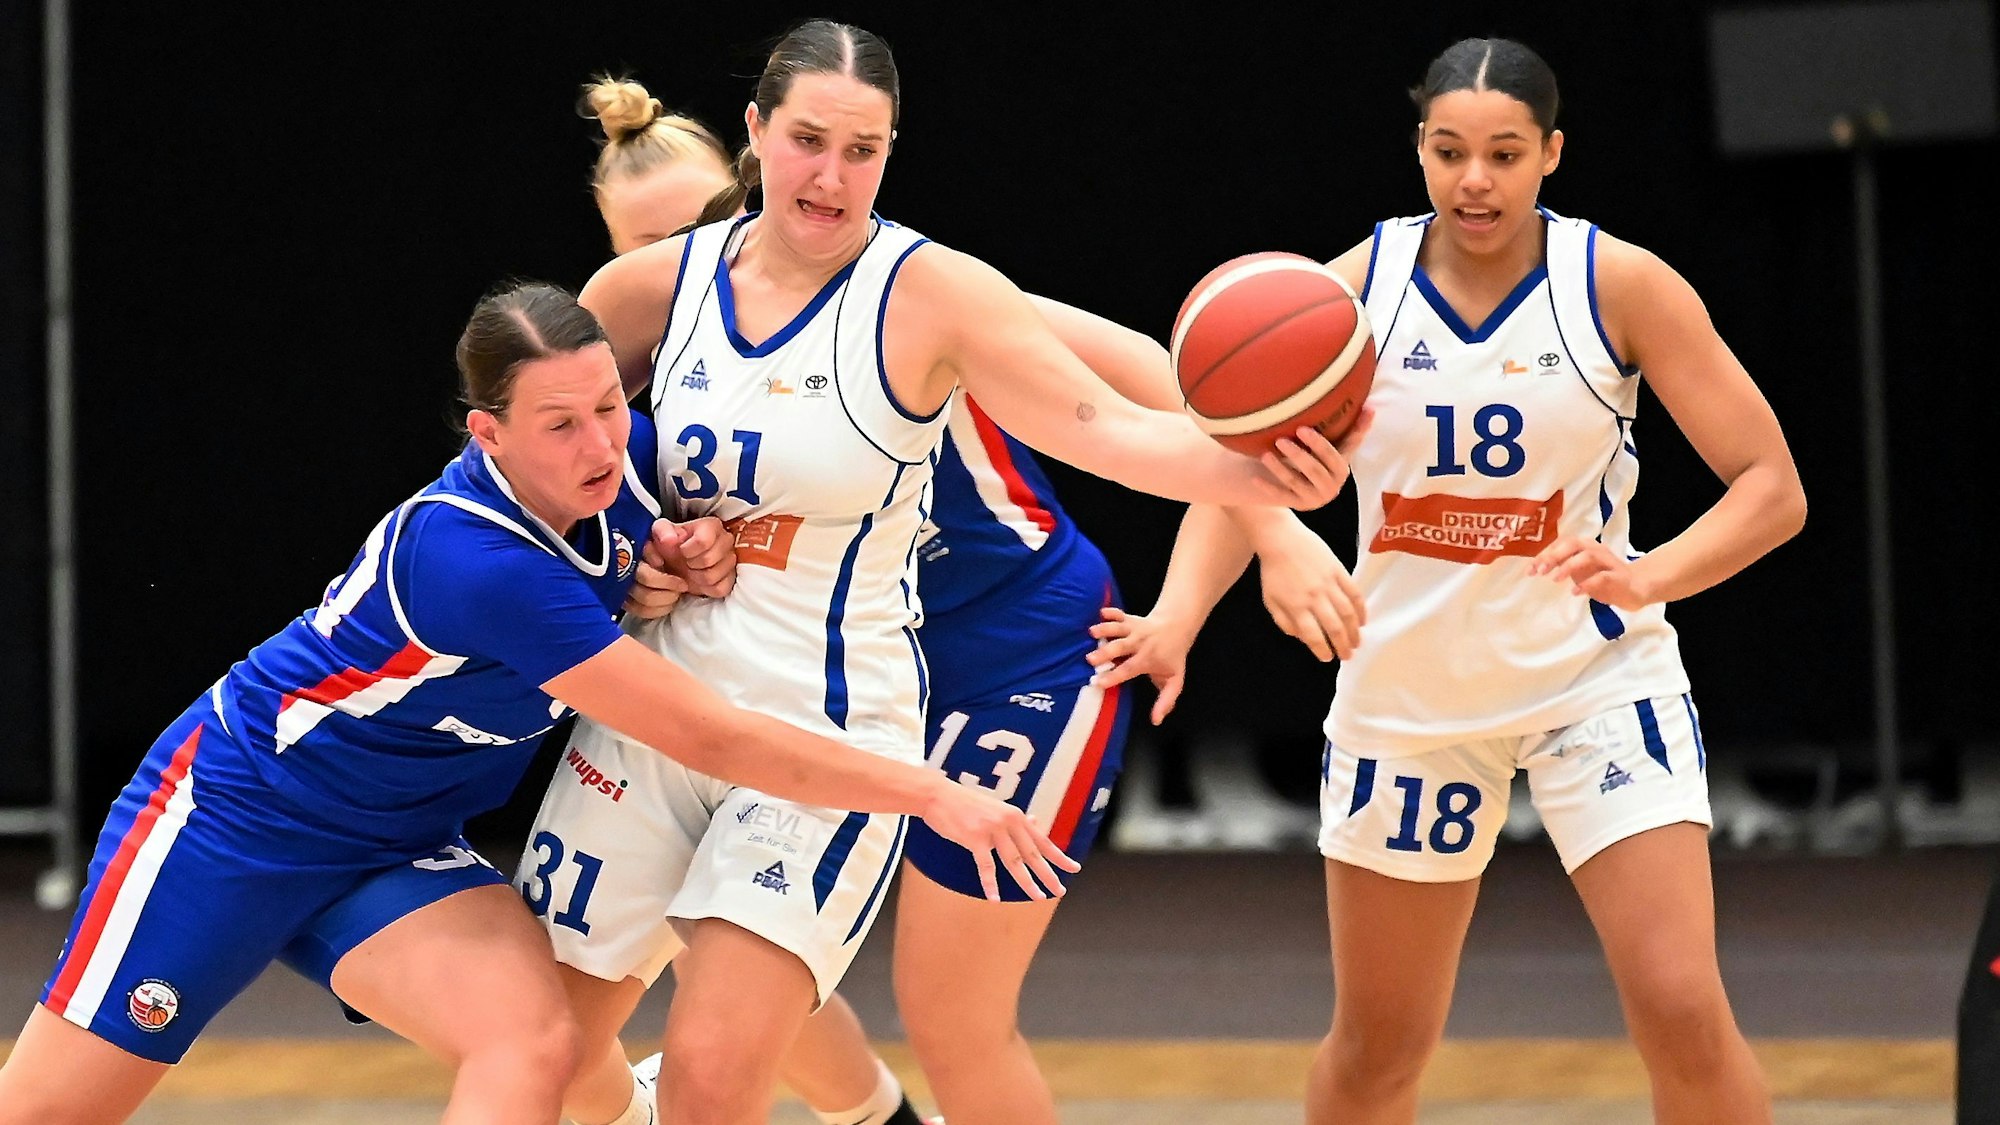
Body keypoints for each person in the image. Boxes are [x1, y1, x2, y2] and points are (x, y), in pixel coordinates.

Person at [523, 20, 1356, 1125]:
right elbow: (556, 490)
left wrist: (1270, 516)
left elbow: (1133, 404)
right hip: (744, 677)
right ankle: (876, 1116)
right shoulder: (650, 303)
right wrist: (639, 564)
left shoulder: (923, 294)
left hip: (990, 646)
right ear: (760, 139)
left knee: (931, 1015)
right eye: (805, 142)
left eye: (856, 149)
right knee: (636, 985)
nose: (821, 178)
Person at [0, 281, 1074, 1125]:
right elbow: (710, 735)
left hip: (397, 843)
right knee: (50, 1110)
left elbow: (700, 533)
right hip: (238, 817)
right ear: (487, 436)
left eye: (609, 405)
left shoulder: (632, 468)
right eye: (559, 424)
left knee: (537, 1044)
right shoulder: (472, 560)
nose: (601, 443)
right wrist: (928, 792)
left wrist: (680, 549)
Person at [1090, 36, 1805, 1125]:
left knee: (1678, 1006)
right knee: (1378, 1051)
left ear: (1550, 155)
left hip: (1590, 685)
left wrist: (1646, 574)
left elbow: (1770, 487)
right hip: (1410, 702)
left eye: (1504, 154)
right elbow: (1235, 466)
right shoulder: (1342, 295)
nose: (1474, 180)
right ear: (1418, 150)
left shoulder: (1614, 283)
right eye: (1448, 151)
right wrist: (1179, 615)